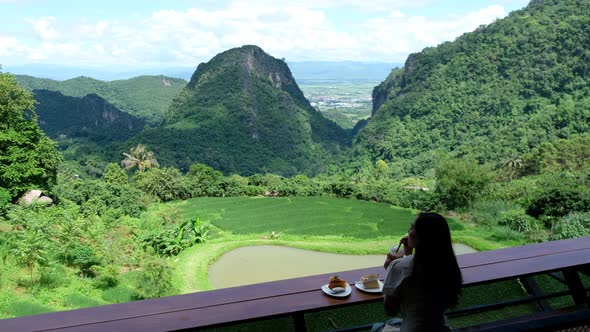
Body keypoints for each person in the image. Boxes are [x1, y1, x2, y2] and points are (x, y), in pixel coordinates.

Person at [373, 212, 463, 332]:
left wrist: (390, 269)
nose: (409, 231)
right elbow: (421, 278)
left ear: (419, 236)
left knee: (377, 327)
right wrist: (409, 254)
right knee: (393, 323)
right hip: (439, 328)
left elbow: (390, 309)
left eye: (412, 227)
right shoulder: (448, 266)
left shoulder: (399, 267)